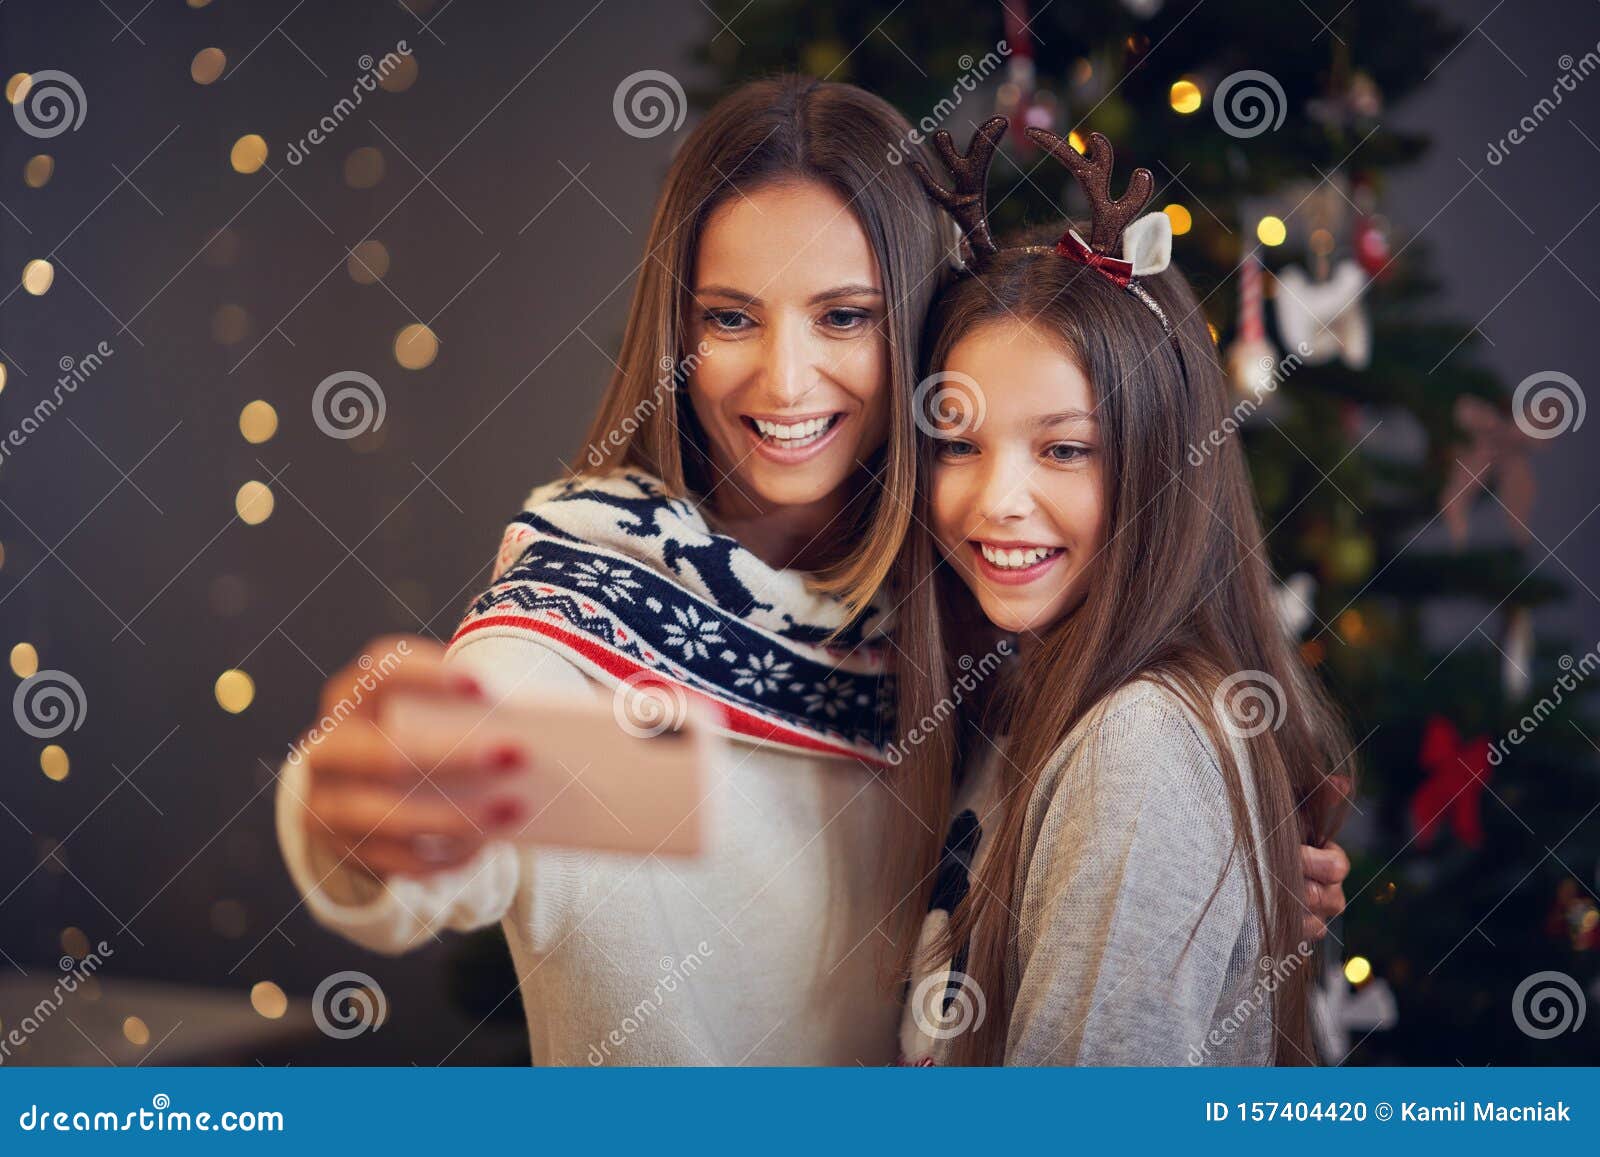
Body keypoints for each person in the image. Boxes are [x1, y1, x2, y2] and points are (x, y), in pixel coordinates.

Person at [274, 83, 1350, 1066]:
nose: (785, 379)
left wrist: (1196, 891)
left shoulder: (964, 611)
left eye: (844, 315)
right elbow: (468, 789)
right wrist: (361, 802)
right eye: (729, 317)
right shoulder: (584, 638)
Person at [890, 123, 1354, 1066]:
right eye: (959, 442)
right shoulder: (1016, 691)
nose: (998, 502)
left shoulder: (1136, 748)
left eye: (1064, 448)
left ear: (1156, 464)